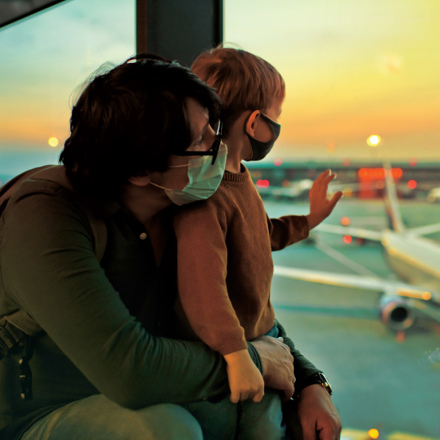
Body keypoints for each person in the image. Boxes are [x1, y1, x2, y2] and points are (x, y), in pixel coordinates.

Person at [0, 54, 297, 440]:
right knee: (164, 432)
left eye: (213, 127)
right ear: (140, 170)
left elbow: (247, 307)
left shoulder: (181, 204)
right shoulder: (44, 214)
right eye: (199, 140)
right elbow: (130, 370)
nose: (217, 144)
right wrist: (253, 359)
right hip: (38, 416)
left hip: (156, 394)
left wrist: (310, 384)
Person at [171, 46, 343, 439]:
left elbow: (262, 236)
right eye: (276, 118)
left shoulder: (238, 177)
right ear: (254, 123)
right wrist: (237, 355)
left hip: (260, 347)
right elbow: (203, 288)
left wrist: (310, 220)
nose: (276, 128)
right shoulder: (207, 195)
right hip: (234, 367)